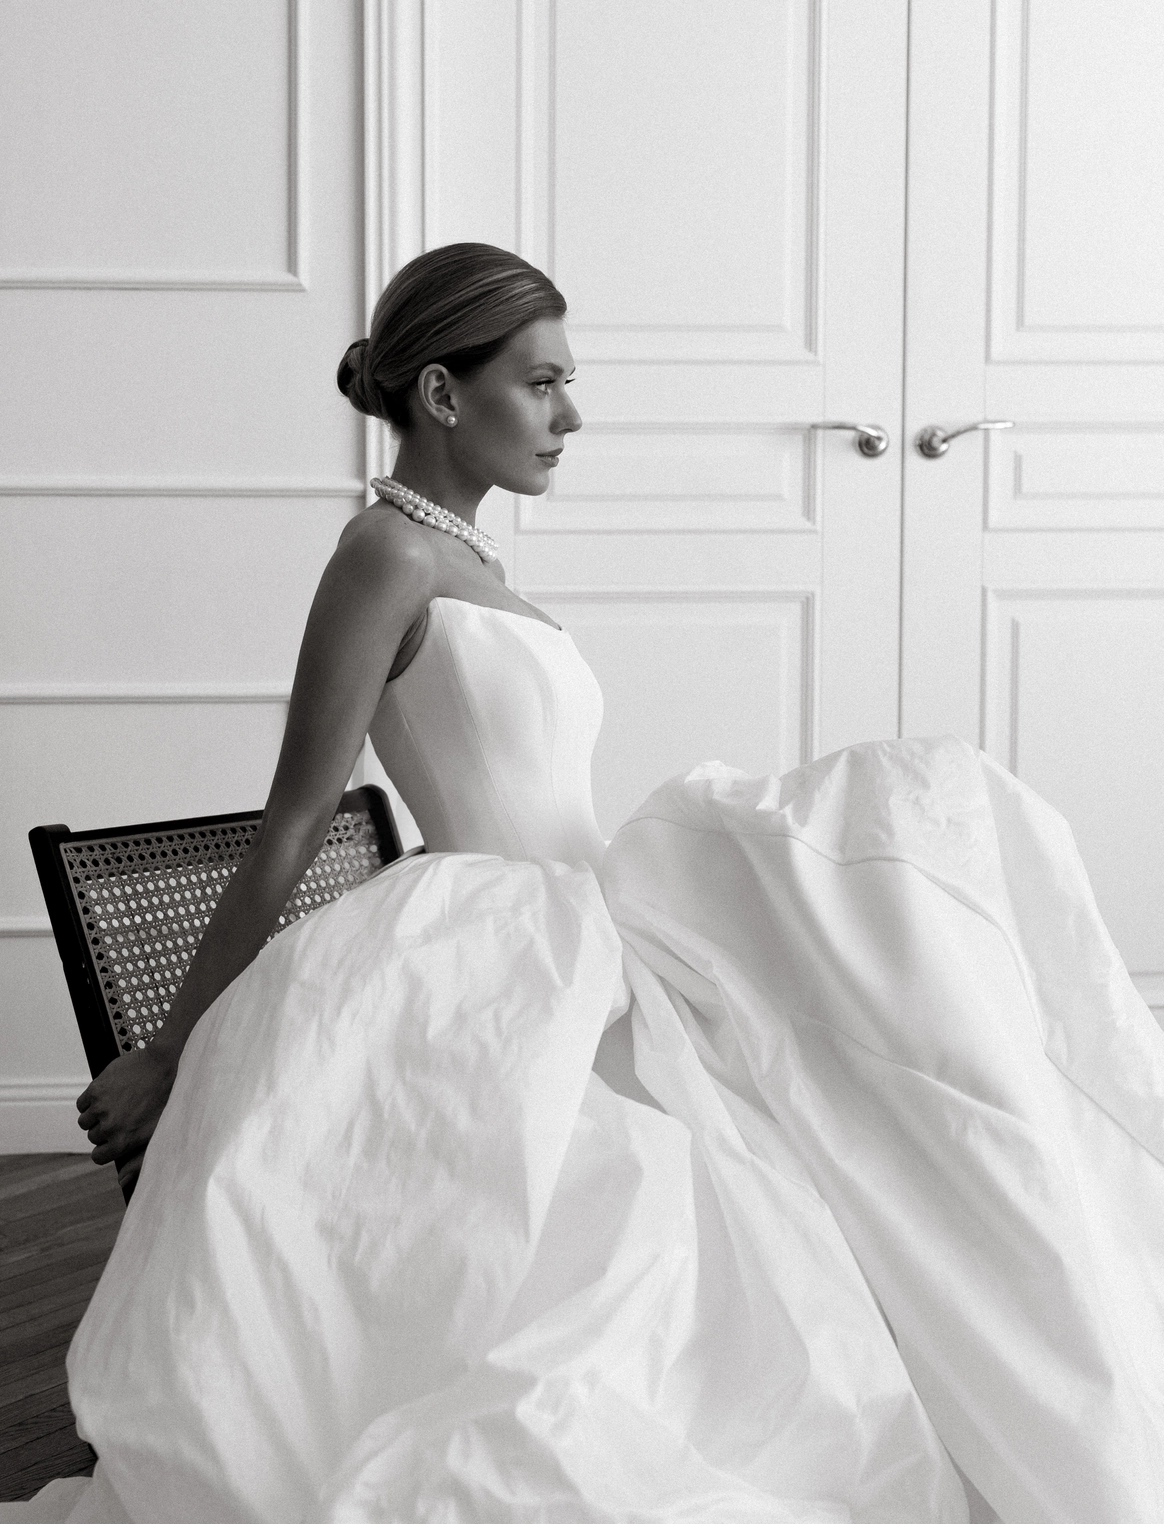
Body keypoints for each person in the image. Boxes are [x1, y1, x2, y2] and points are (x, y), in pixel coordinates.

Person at [13, 244, 1162, 1524]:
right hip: (498, 949)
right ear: (443, 395)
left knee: (900, 974)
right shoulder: (384, 557)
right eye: (543, 383)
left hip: (595, 932)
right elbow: (293, 823)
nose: (572, 415)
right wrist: (170, 1050)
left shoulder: (472, 566)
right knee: (640, 1230)